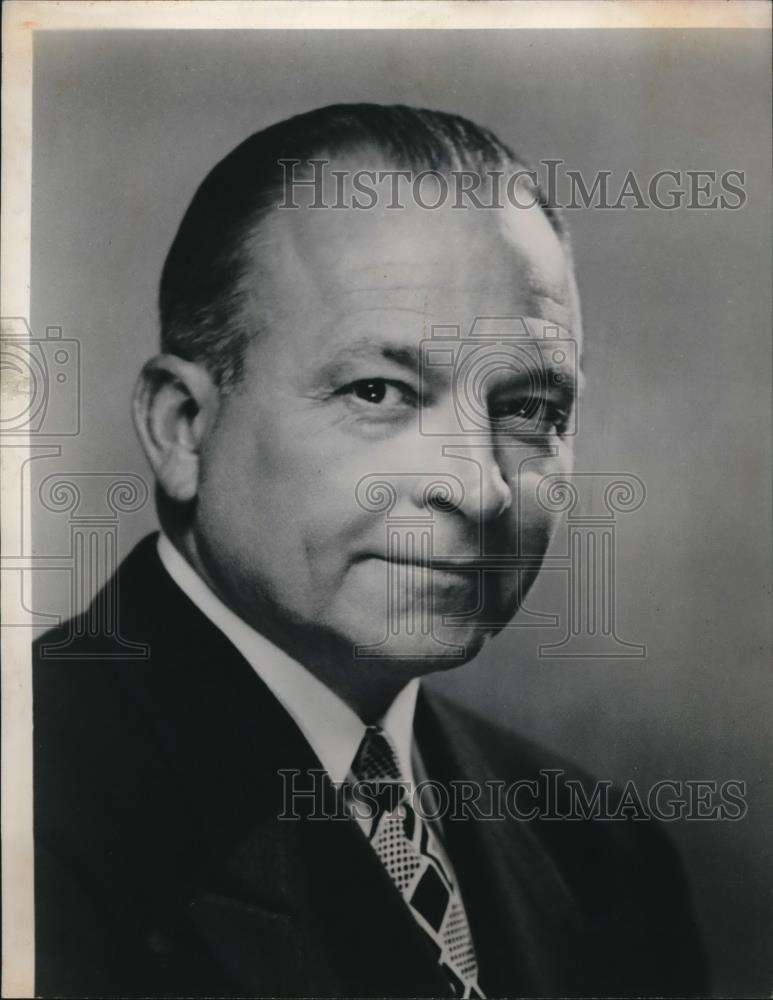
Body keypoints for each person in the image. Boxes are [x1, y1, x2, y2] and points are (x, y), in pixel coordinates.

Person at [33, 104, 707, 998]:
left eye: (529, 411)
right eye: (379, 391)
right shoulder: (34, 803)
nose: (479, 488)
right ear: (183, 427)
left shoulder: (603, 853)